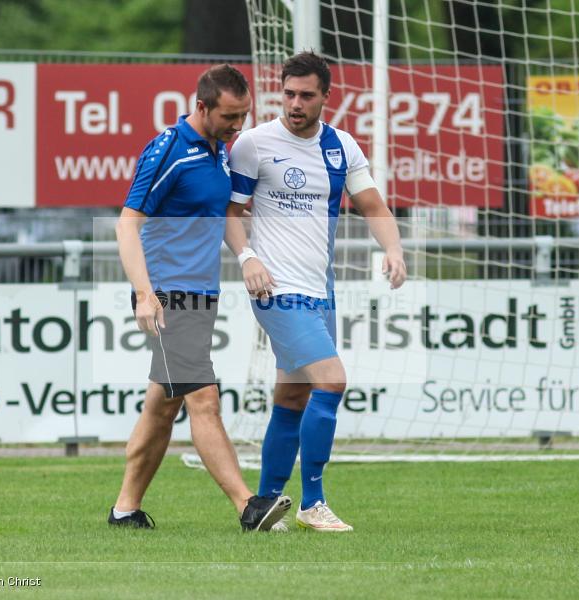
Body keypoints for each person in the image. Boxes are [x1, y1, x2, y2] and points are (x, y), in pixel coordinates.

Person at [225, 52, 407, 532]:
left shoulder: (341, 147)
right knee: (331, 381)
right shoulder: (254, 144)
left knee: (292, 399)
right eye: (288, 94)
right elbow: (230, 212)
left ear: (326, 97)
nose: (295, 103)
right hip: (274, 289)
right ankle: (313, 502)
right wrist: (248, 259)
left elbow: (373, 204)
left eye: (306, 95)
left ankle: (262, 505)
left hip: (318, 291)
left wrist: (394, 250)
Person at [109, 64, 292, 532]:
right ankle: (249, 506)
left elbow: (222, 214)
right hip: (168, 297)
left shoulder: (219, 151)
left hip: (200, 295)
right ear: (202, 106)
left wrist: (247, 255)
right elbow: (127, 223)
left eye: (244, 116)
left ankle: (125, 510)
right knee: (204, 401)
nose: (239, 126)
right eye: (230, 117)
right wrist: (145, 296)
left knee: (163, 406)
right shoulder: (168, 148)